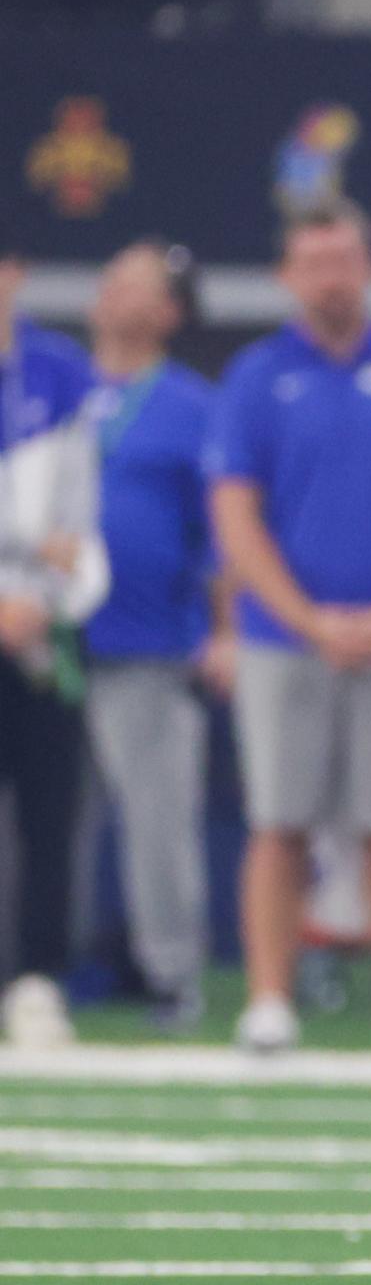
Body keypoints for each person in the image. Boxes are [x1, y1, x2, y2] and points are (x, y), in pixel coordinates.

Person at [208, 200, 371, 1056]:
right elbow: (236, 517)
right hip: (284, 638)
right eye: (314, 262)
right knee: (278, 823)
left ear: (370, 267)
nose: (331, 277)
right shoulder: (256, 376)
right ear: (288, 277)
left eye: (345, 259)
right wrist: (306, 617)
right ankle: (271, 1000)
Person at [77, 242, 223, 1034]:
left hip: (149, 640)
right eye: (113, 274)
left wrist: (221, 630)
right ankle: (33, 967)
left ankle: (172, 973)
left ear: (170, 312)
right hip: (43, 638)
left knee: (158, 819)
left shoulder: (191, 404)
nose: (114, 289)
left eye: (137, 283)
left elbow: (219, 533)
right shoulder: (53, 386)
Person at [0, 233, 108, 1048]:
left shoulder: (62, 374)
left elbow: (80, 526)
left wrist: (47, 598)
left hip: (41, 633)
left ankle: (38, 980)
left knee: (49, 814)